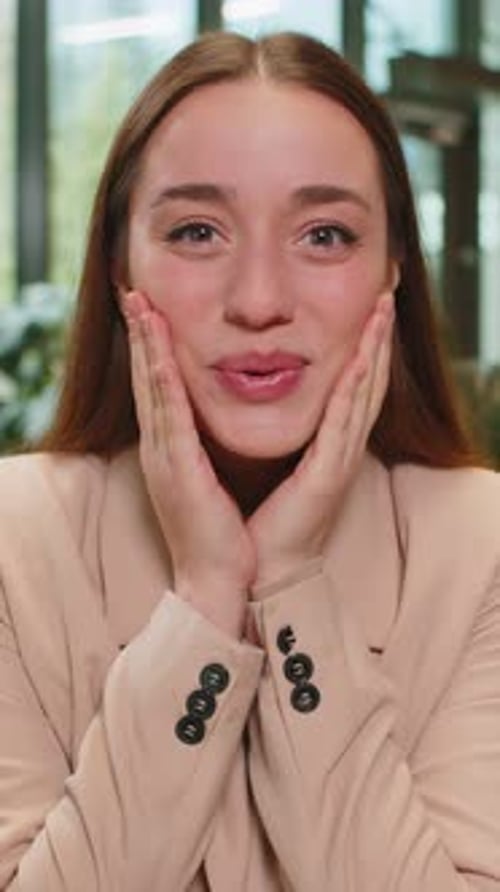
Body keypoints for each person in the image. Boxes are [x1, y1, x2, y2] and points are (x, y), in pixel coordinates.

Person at [0, 29, 499, 892]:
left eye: (326, 235)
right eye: (197, 230)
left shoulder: (480, 545)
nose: (260, 300)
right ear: (120, 266)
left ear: (392, 273)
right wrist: (205, 598)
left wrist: (291, 579)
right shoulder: (15, 541)